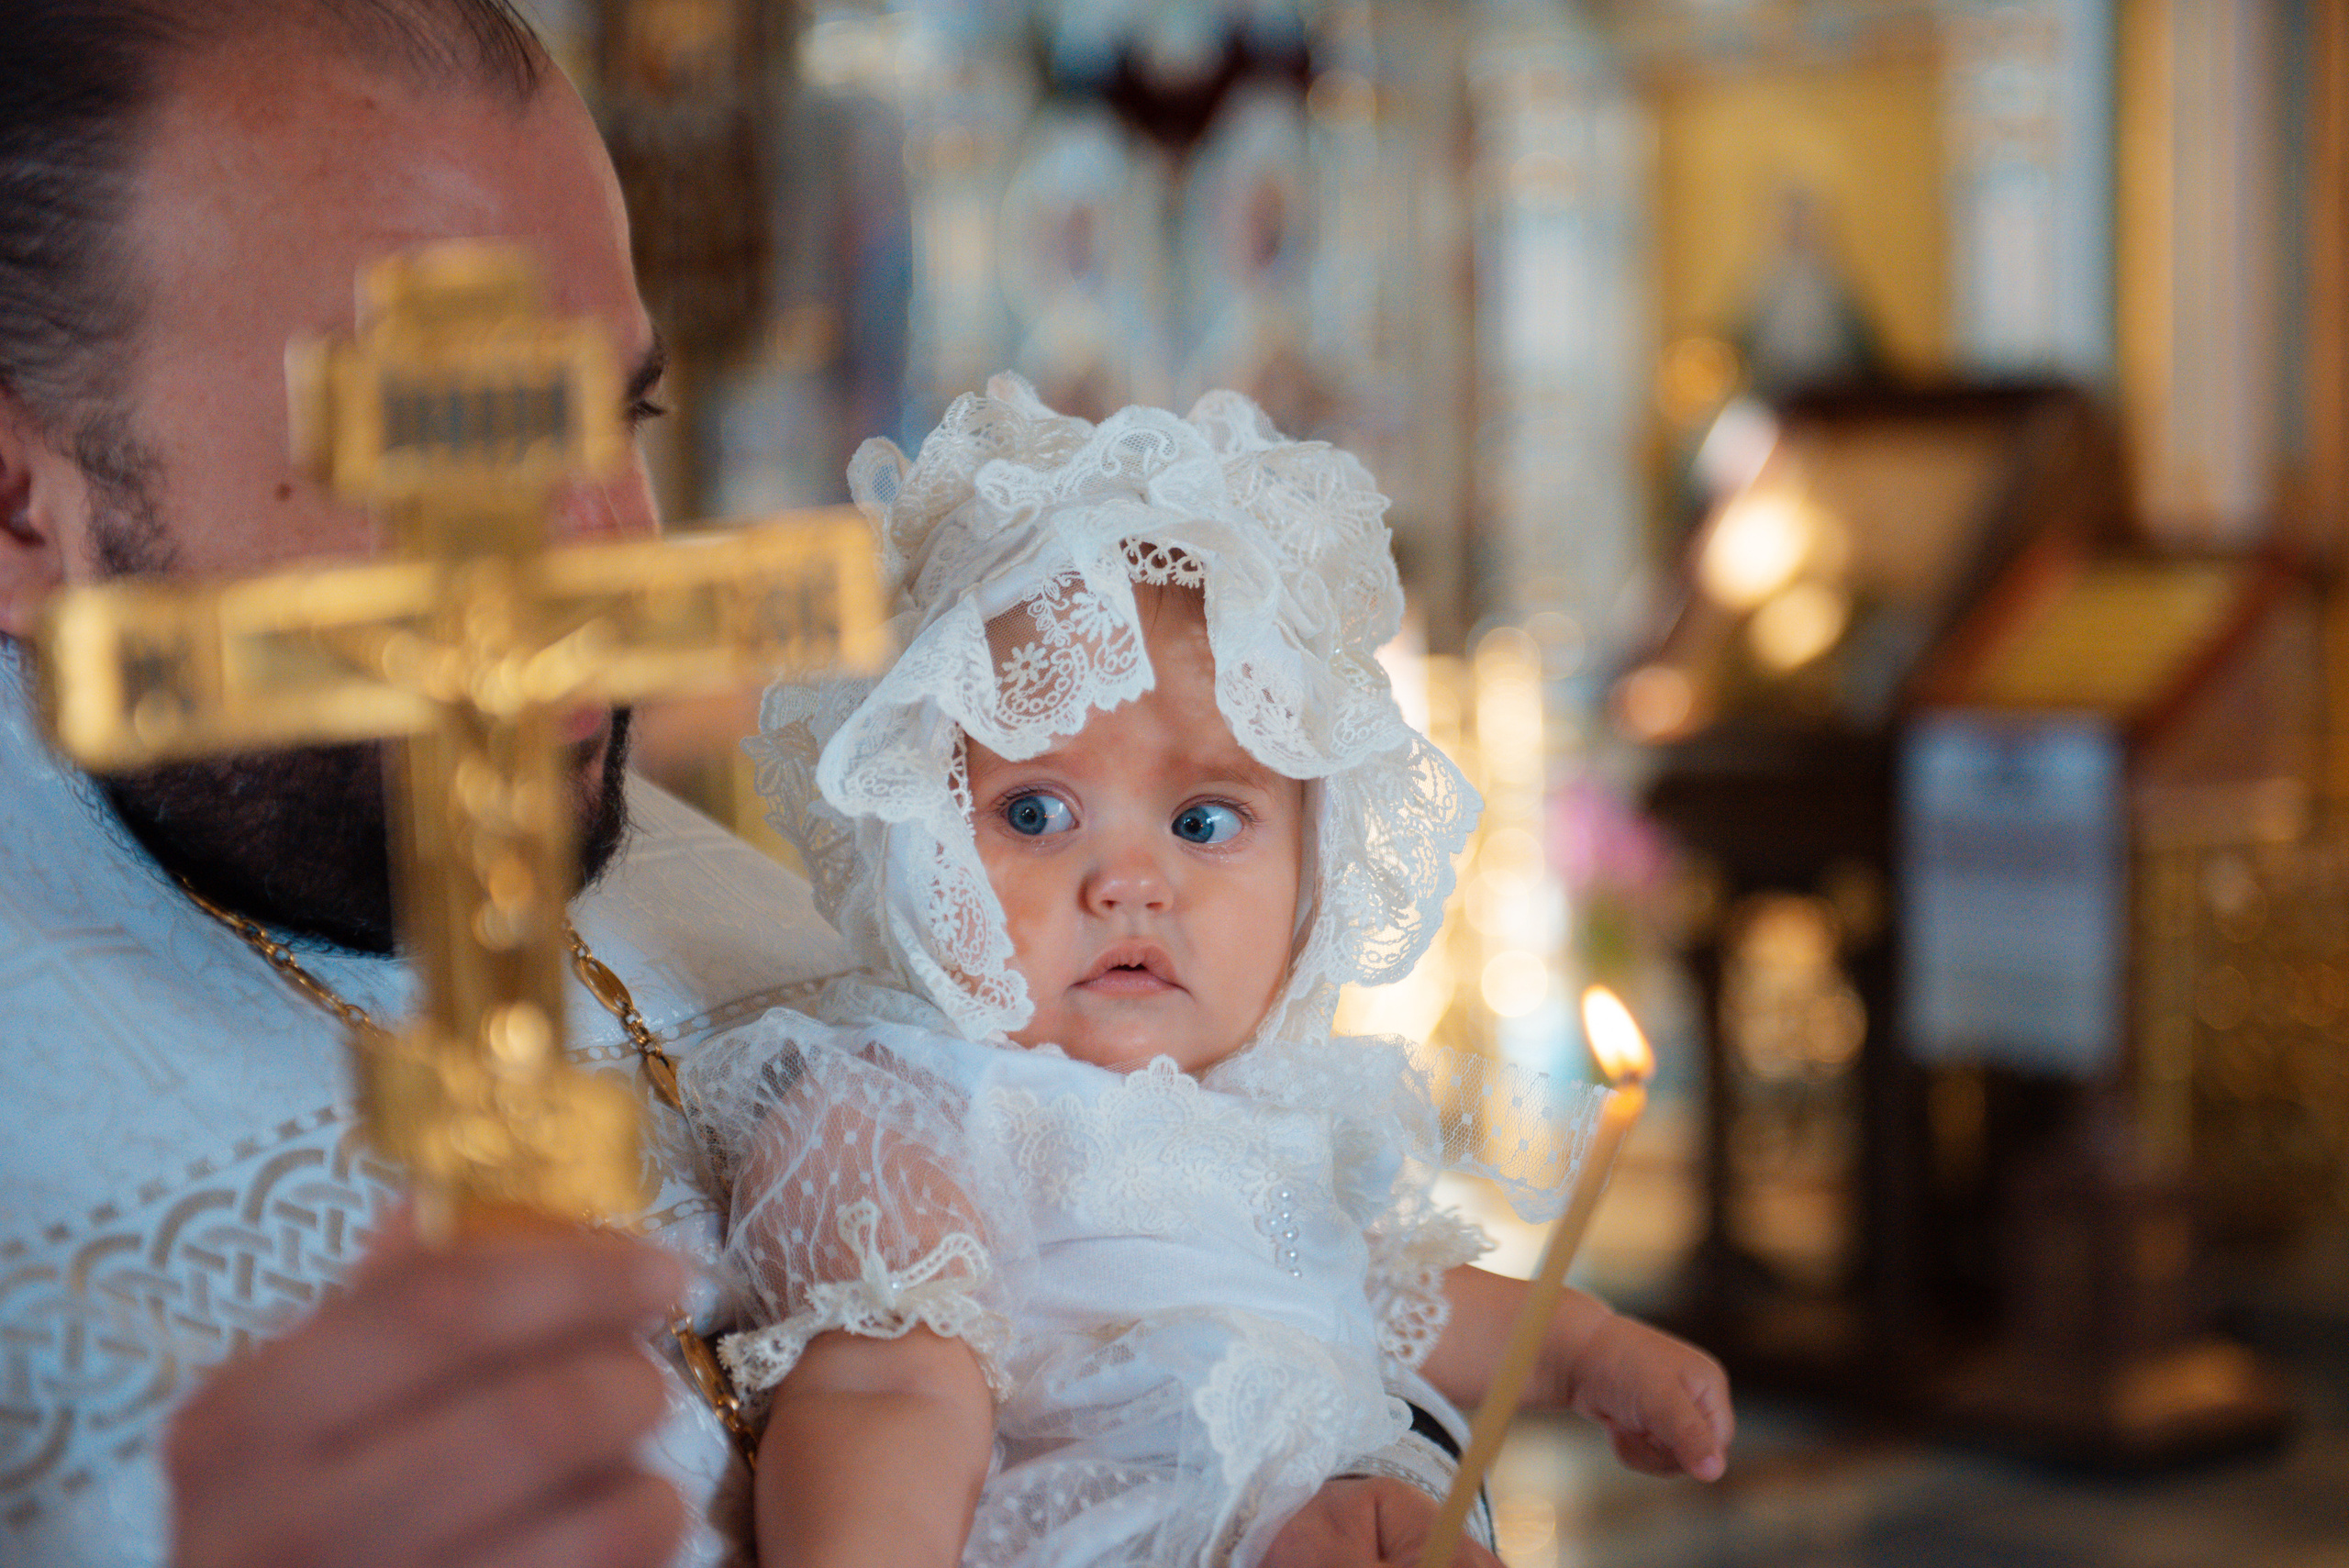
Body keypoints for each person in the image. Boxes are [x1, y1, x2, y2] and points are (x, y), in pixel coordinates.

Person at [0, 7, 1617, 1565]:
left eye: (619, 416)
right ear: (23, 504)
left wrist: (1371, 1495)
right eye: (453, 437)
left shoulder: (682, 875)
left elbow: (1256, 1311)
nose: (608, 563)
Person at [690, 376, 1736, 1568]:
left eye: (1202, 822)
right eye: (1035, 810)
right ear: (918, 842)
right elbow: (889, 1397)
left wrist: (1586, 1351)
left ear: (1314, 868)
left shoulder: (1279, 1120)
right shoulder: (925, 1105)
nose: (1128, 883)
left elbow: (1401, 1301)